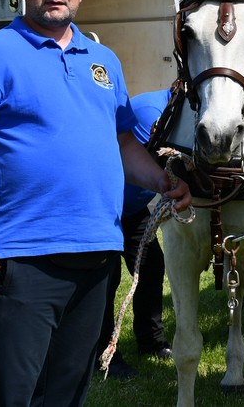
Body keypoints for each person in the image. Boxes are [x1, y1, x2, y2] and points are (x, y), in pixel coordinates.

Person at [0, 0, 191, 407]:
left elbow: (123, 144)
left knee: (67, 392)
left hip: (97, 253)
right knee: (8, 393)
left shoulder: (104, 61)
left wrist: (163, 180)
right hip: (22, 257)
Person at [96, 88, 175, 379]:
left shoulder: (179, 113)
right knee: (105, 279)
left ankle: (151, 343)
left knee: (152, 265)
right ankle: (104, 353)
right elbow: (137, 160)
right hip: (105, 206)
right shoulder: (150, 113)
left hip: (132, 209)